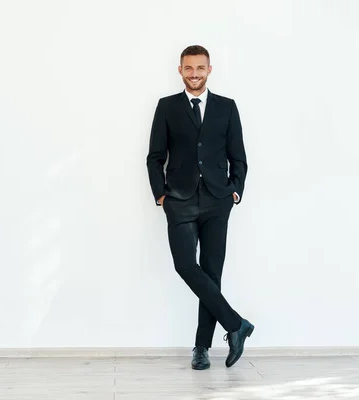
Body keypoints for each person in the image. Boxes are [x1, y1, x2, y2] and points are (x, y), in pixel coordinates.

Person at [146, 45, 254, 370]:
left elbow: (239, 156)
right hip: (178, 201)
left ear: (210, 70)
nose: (195, 74)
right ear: (180, 70)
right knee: (185, 265)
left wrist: (234, 191)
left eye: (200, 68)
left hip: (217, 201)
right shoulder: (166, 107)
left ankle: (201, 348)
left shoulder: (227, 107)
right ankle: (235, 325)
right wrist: (160, 195)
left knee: (211, 273)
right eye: (189, 68)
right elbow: (154, 157)